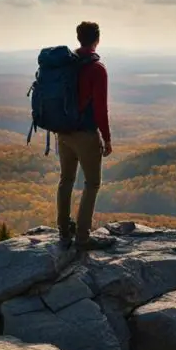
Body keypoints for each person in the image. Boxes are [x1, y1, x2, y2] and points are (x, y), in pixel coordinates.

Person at [56, 21, 113, 251]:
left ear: (79, 38)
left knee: (66, 179)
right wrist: (107, 138)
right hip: (85, 134)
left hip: (63, 131)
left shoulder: (67, 64)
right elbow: (100, 109)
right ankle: (82, 237)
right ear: (97, 39)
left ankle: (63, 231)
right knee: (92, 183)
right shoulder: (96, 69)